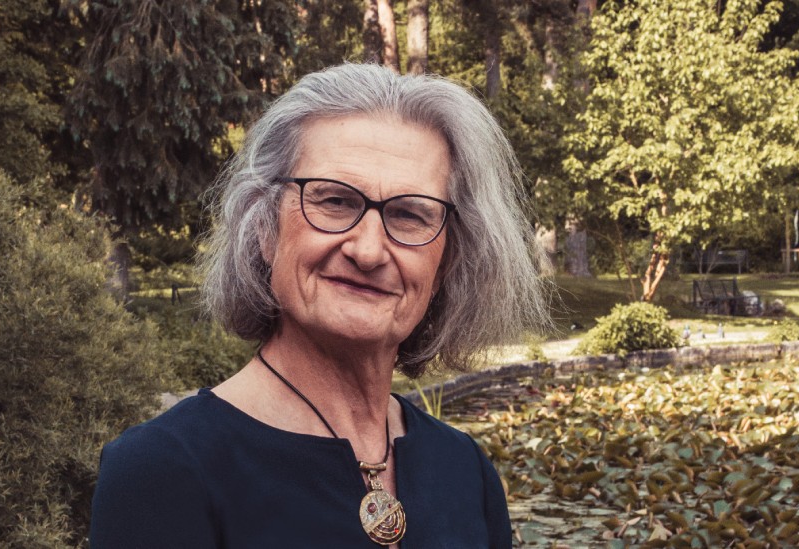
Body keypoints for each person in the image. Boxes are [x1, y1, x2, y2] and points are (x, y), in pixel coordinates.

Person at [89, 63, 549, 548]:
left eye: (410, 214)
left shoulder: (466, 470)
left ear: (446, 262)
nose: (368, 251)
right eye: (334, 202)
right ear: (265, 230)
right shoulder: (161, 471)